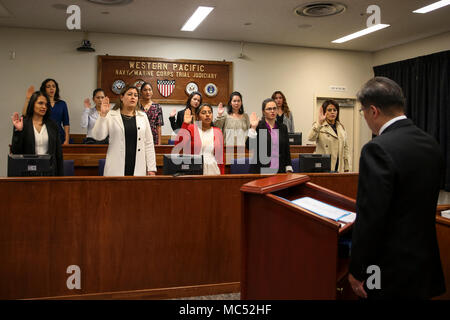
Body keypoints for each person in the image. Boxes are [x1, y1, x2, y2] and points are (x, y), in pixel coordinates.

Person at [348, 76, 445, 299]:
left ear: (373, 111)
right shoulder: (430, 143)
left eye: (362, 111)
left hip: (387, 269)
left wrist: (357, 269)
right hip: (423, 263)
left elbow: (371, 217)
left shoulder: (377, 149)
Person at [91, 85, 156, 176]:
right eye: (129, 94)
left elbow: (149, 143)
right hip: (116, 167)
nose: (133, 97)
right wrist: (102, 115)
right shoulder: (111, 115)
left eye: (136, 95)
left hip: (138, 166)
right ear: (122, 97)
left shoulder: (143, 116)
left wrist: (151, 168)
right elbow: (98, 136)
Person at [11, 91, 63, 176]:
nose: (44, 107)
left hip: (49, 172)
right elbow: (15, 151)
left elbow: (58, 155)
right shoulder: (23, 123)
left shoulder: (53, 125)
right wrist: (18, 131)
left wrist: (61, 178)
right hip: (28, 172)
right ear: (32, 104)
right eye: (40, 103)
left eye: (46, 104)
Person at [175, 103, 224, 175]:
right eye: (204, 113)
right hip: (193, 168)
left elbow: (220, 158)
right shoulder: (191, 128)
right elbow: (178, 145)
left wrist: (223, 176)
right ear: (197, 116)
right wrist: (185, 124)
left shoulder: (217, 131)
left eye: (210, 112)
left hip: (213, 169)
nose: (207, 115)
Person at [247, 98, 293, 174]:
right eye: (269, 109)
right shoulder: (258, 126)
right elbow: (249, 146)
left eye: (274, 108)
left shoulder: (283, 127)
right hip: (260, 170)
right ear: (263, 112)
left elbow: (286, 150)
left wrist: (288, 168)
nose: (272, 111)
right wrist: (253, 128)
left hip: (279, 170)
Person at [307, 100, 350, 172]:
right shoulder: (319, 125)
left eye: (335, 110)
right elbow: (310, 138)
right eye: (329, 110)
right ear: (324, 112)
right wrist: (319, 123)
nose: (332, 112)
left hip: (339, 166)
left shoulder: (341, 127)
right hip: (324, 165)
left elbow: (345, 148)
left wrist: (347, 167)